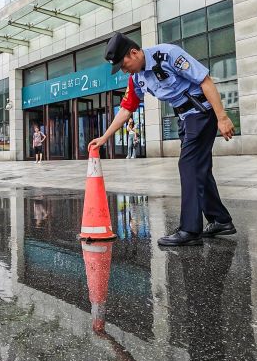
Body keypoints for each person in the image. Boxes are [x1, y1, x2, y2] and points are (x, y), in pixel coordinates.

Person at [89, 32, 236, 247]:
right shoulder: (136, 78)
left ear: (134, 52)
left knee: (189, 165)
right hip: (185, 119)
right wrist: (104, 138)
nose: (123, 69)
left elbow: (205, 81)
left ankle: (189, 230)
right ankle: (221, 220)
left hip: (201, 113)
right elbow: (126, 109)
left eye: (123, 63)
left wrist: (222, 117)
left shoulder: (167, 55)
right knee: (199, 169)